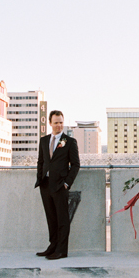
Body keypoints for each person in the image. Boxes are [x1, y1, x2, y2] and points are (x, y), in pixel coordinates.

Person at [34, 110, 80, 260]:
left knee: (62, 219)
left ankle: (61, 251)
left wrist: (67, 183)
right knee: (51, 218)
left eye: (61, 122)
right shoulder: (44, 140)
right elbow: (41, 162)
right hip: (45, 185)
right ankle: (52, 246)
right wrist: (40, 179)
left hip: (60, 186)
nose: (59, 125)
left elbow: (75, 165)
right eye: (56, 122)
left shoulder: (70, 142)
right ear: (50, 123)